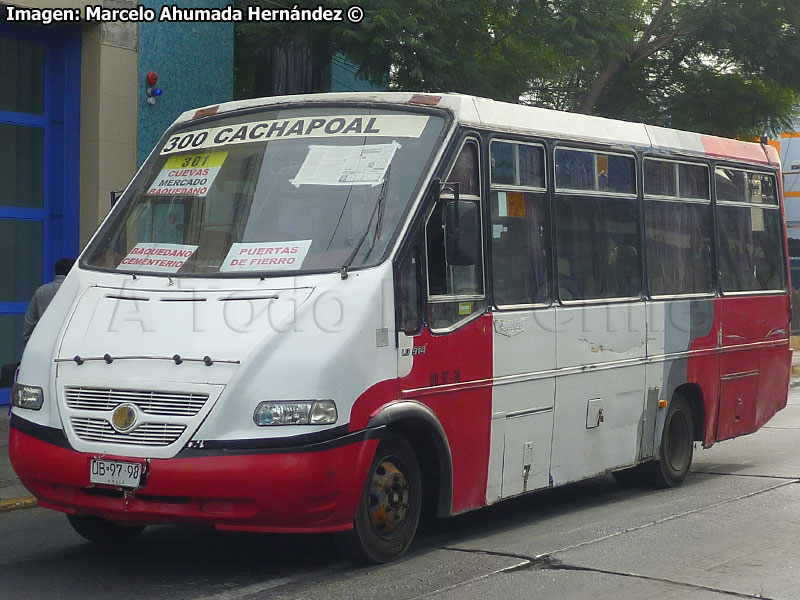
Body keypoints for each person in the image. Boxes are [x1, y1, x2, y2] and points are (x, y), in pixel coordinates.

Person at [21, 258, 75, 353]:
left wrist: (28, 346)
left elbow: (30, 322)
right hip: (70, 348)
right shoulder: (78, 292)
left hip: (43, 347)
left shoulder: (41, 291)